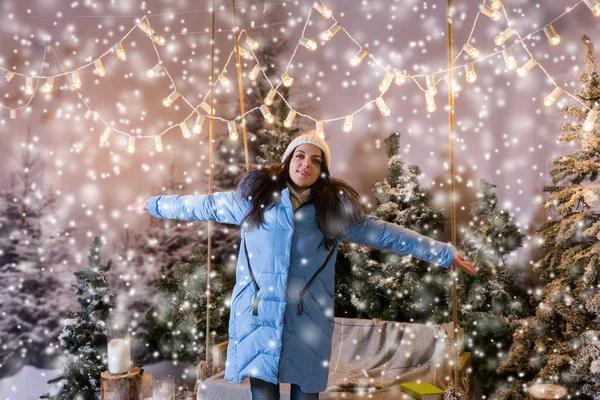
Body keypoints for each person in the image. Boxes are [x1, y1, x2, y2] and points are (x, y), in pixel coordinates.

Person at [128, 131, 477, 400]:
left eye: (314, 160)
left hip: (308, 318)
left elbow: (384, 234)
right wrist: (155, 204)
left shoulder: (331, 215)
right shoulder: (253, 202)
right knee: (262, 391)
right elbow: (202, 206)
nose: (305, 164)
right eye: (299, 156)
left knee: (305, 391)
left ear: (322, 171)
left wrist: (443, 252)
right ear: (288, 160)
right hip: (258, 316)